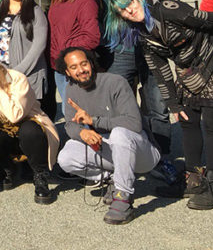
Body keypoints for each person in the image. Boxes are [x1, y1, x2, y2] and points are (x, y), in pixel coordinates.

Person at [105, 0, 213, 209]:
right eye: (123, 11)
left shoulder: (167, 10)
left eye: (129, 3)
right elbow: (161, 72)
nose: (129, 10)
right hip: (189, 70)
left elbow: (210, 19)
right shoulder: (144, 36)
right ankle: (193, 180)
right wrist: (173, 104)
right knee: (187, 120)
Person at [95, 0, 176, 178]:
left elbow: (171, 18)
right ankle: (121, 155)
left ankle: (161, 158)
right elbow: (98, 18)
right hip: (119, 53)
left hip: (154, 53)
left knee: (158, 108)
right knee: (114, 107)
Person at [55, 47, 162, 225]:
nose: (81, 70)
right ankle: (114, 178)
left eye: (84, 63)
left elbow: (134, 123)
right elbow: (70, 124)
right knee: (66, 157)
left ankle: (123, 197)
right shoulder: (71, 89)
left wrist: (94, 122)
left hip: (142, 152)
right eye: (74, 67)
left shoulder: (115, 82)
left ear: (91, 63)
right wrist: (83, 132)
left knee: (120, 133)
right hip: (111, 149)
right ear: (67, 71)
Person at [0, 50, 58, 204]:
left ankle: (40, 176)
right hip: (6, 133)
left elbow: (15, 115)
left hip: (31, 128)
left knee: (29, 130)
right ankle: (8, 167)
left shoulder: (16, 78)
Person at [46, 0, 100, 110]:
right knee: (68, 110)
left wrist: (67, 52)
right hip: (58, 65)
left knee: (77, 110)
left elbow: (92, 37)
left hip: (74, 64)